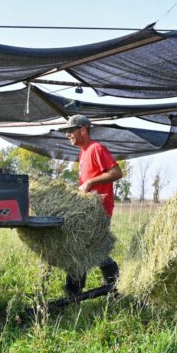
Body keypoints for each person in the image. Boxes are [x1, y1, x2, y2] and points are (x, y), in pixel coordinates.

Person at [57, 114, 123, 295]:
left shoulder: (96, 149)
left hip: (99, 210)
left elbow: (117, 172)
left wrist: (90, 182)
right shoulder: (83, 152)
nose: (68, 135)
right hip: (88, 210)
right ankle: (116, 287)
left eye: (71, 130)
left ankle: (74, 293)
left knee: (80, 247)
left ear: (83, 130)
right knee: (92, 249)